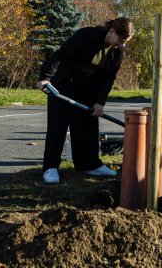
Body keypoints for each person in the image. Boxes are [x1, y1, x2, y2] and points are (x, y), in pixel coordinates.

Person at [36, 18, 134, 184]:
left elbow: (109, 77)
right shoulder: (87, 35)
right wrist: (45, 78)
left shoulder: (118, 50)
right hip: (64, 82)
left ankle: (89, 164)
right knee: (58, 124)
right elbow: (61, 54)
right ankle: (50, 168)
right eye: (121, 40)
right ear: (111, 32)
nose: (122, 44)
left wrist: (100, 102)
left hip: (87, 86)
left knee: (88, 124)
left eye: (125, 42)